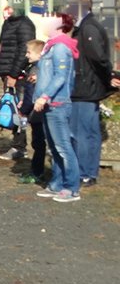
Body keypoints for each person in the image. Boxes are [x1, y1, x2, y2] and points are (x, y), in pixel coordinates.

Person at [32, 14, 82, 203]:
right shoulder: (51, 45)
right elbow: (51, 73)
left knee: (63, 147)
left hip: (57, 104)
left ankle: (71, 188)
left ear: (60, 26)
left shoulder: (60, 47)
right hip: (49, 104)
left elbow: (61, 76)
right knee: (54, 148)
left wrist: (45, 96)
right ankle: (56, 184)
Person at [69, 0, 112, 188]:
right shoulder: (85, 27)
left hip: (85, 88)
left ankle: (84, 173)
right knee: (90, 132)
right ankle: (88, 172)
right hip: (88, 87)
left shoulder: (88, 28)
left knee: (82, 133)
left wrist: (106, 78)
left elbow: (99, 59)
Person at [0, 4, 36, 161]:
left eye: (10, 8)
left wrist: (14, 74)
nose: (6, 11)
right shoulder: (8, 24)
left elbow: (24, 51)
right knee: (12, 109)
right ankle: (17, 144)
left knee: (20, 110)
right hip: (6, 72)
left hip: (18, 75)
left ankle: (20, 147)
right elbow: (0, 49)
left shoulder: (25, 25)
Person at [17, 39, 48, 185]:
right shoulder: (43, 69)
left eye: (29, 52)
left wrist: (23, 110)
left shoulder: (35, 70)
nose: (26, 55)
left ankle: (37, 172)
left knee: (38, 144)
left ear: (40, 54)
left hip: (38, 113)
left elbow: (30, 94)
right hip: (42, 112)